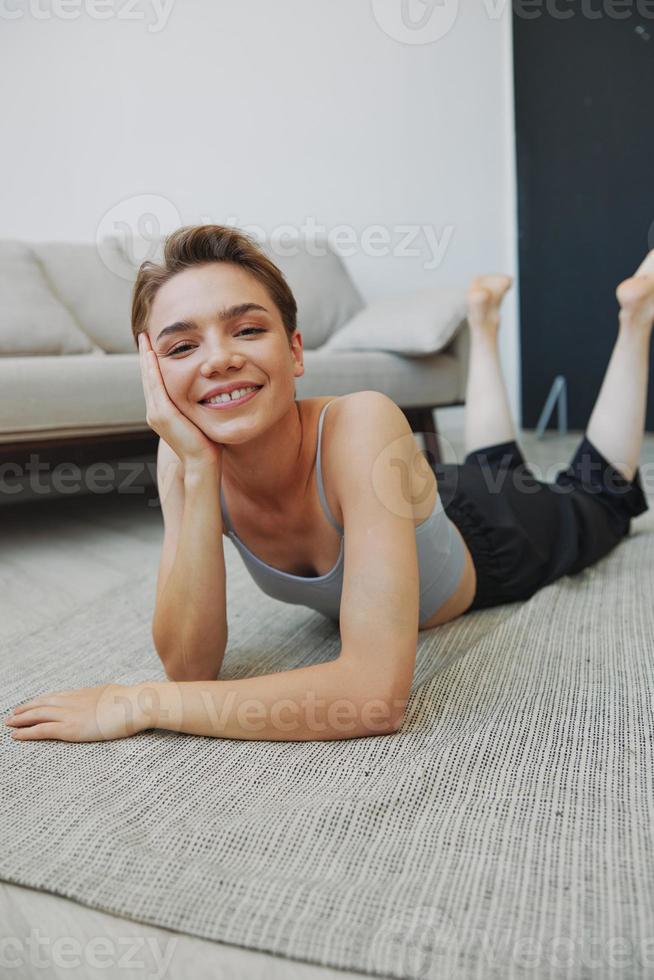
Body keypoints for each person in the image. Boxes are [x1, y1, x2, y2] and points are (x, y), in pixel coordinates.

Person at [5, 226, 651, 745]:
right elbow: (191, 663)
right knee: (496, 467)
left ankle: (636, 317)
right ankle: (482, 325)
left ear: (295, 352)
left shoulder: (364, 420)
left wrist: (139, 705)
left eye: (247, 329)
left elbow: (374, 698)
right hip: (401, 498)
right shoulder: (182, 460)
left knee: (593, 497)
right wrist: (199, 473)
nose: (218, 358)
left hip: (490, 535)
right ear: (153, 374)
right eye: (180, 348)